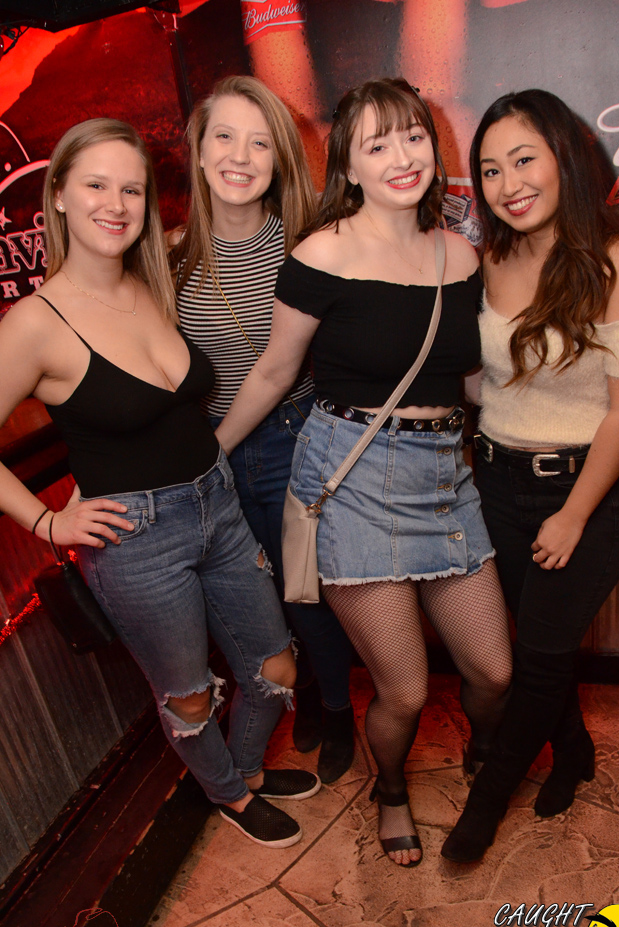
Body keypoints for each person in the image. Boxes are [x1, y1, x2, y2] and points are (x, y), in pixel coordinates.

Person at [0, 118, 322, 850]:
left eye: (133, 189)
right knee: (189, 698)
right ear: (58, 196)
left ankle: (245, 771)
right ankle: (230, 794)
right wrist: (48, 524)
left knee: (275, 664)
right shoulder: (34, 323)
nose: (116, 204)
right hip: (137, 541)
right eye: (96, 185)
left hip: (219, 502)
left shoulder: (152, 283)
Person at [217, 78, 513, 867]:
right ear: (348, 167)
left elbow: (471, 381)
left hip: (445, 477)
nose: (402, 156)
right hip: (351, 482)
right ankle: (390, 789)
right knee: (405, 691)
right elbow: (275, 370)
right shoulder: (323, 254)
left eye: (413, 136)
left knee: (493, 672)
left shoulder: (461, 254)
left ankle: (487, 750)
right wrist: (210, 453)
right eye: (377, 144)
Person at [441, 90, 619, 863]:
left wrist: (571, 515)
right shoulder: (491, 258)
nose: (508, 184)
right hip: (497, 483)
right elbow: (490, 386)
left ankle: (486, 804)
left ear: (565, 157)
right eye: (490, 170)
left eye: (523, 160)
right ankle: (572, 751)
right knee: (540, 648)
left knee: (537, 661)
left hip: (580, 494)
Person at [170, 77, 356, 785]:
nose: (239, 157)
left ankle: (335, 708)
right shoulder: (170, 256)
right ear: (198, 149)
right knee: (260, 598)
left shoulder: (304, 247)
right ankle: (302, 694)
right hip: (212, 448)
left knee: (308, 595)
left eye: (259, 143)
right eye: (224, 136)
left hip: (292, 438)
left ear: (278, 159)